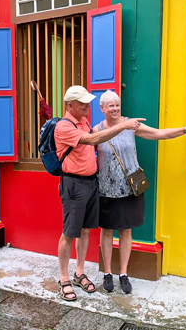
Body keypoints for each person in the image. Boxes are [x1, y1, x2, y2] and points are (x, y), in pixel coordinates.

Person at [94, 90, 186, 294]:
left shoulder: (131, 125)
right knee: (107, 230)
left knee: (126, 230)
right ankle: (108, 273)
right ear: (102, 108)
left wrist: (185, 129)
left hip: (130, 188)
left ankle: (124, 274)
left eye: (117, 105)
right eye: (110, 105)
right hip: (106, 189)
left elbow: (158, 133)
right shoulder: (96, 130)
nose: (115, 108)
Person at [54, 85, 145, 302]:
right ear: (70, 106)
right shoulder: (63, 127)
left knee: (85, 231)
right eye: (83, 103)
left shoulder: (84, 122)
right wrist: (124, 126)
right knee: (69, 233)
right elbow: (94, 140)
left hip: (91, 183)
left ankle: (79, 273)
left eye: (88, 102)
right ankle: (64, 279)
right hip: (74, 184)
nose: (87, 106)